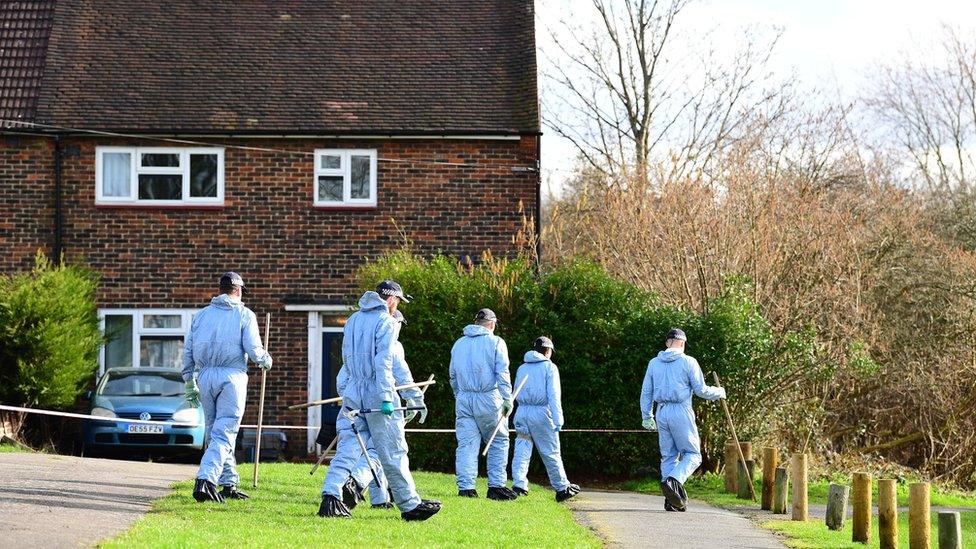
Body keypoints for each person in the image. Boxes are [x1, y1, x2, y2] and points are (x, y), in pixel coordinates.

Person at [318, 280, 440, 521]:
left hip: (353, 392)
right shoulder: (387, 322)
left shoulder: (352, 321)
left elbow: (347, 363)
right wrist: (388, 398)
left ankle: (330, 497)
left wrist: (348, 394)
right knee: (394, 450)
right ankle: (409, 505)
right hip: (377, 391)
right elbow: (384, 364)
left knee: (348, 449)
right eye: (398, 302)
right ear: (392, 300)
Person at [182, 271, 273, 503]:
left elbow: (189, 350)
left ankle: (229, 483)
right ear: (239, 290)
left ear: (220, 290)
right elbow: (253, 349)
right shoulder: (244, 314)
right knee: (226, 431)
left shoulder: (201, 315)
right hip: (232, 376)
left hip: (204, 377)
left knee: (214, 431)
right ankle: (205, 479)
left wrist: (188, 381)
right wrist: (265, 359)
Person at [342, 311, 428, 510]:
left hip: (357, 401)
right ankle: (357, 481)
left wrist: (349, 398)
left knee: (374, 450)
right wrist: (415, 400)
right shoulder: (393, 346)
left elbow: (343, 377)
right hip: (381, 403)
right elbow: (403, 376)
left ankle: (380, 499)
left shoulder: (359, 346)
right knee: (389, 452)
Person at [640, 328, 726, 512]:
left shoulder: (654, 363)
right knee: (693, 455)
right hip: (681, 409)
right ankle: (674, 481)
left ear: (667, 343)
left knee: (669, 456)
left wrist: (647, 416)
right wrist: (720, 392)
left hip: (661, 411)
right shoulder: (688, 362)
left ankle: (671, 500)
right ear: (682, 343)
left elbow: (646, 392)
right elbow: (701, 390)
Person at [449, 308, 517, 500]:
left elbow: (452, 375)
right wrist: (507, 398)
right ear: (492, 324)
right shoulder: (496, 342)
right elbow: (502, 373)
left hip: (463, 398)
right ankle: (496, 485)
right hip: (489, 398)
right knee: (498, 441)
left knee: (466, 443)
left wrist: (459, 395)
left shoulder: (459, 344)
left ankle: (466, 488)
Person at [511, 336, 581, 502]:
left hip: (522, 412)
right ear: (548, 351)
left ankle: (519, 485)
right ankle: (562, 487)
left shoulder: (522, 368)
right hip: (542, 413)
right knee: (550, 451)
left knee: (522, 448)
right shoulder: (550, 368)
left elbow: (514, 391)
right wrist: (558, 420)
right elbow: (554, 396)